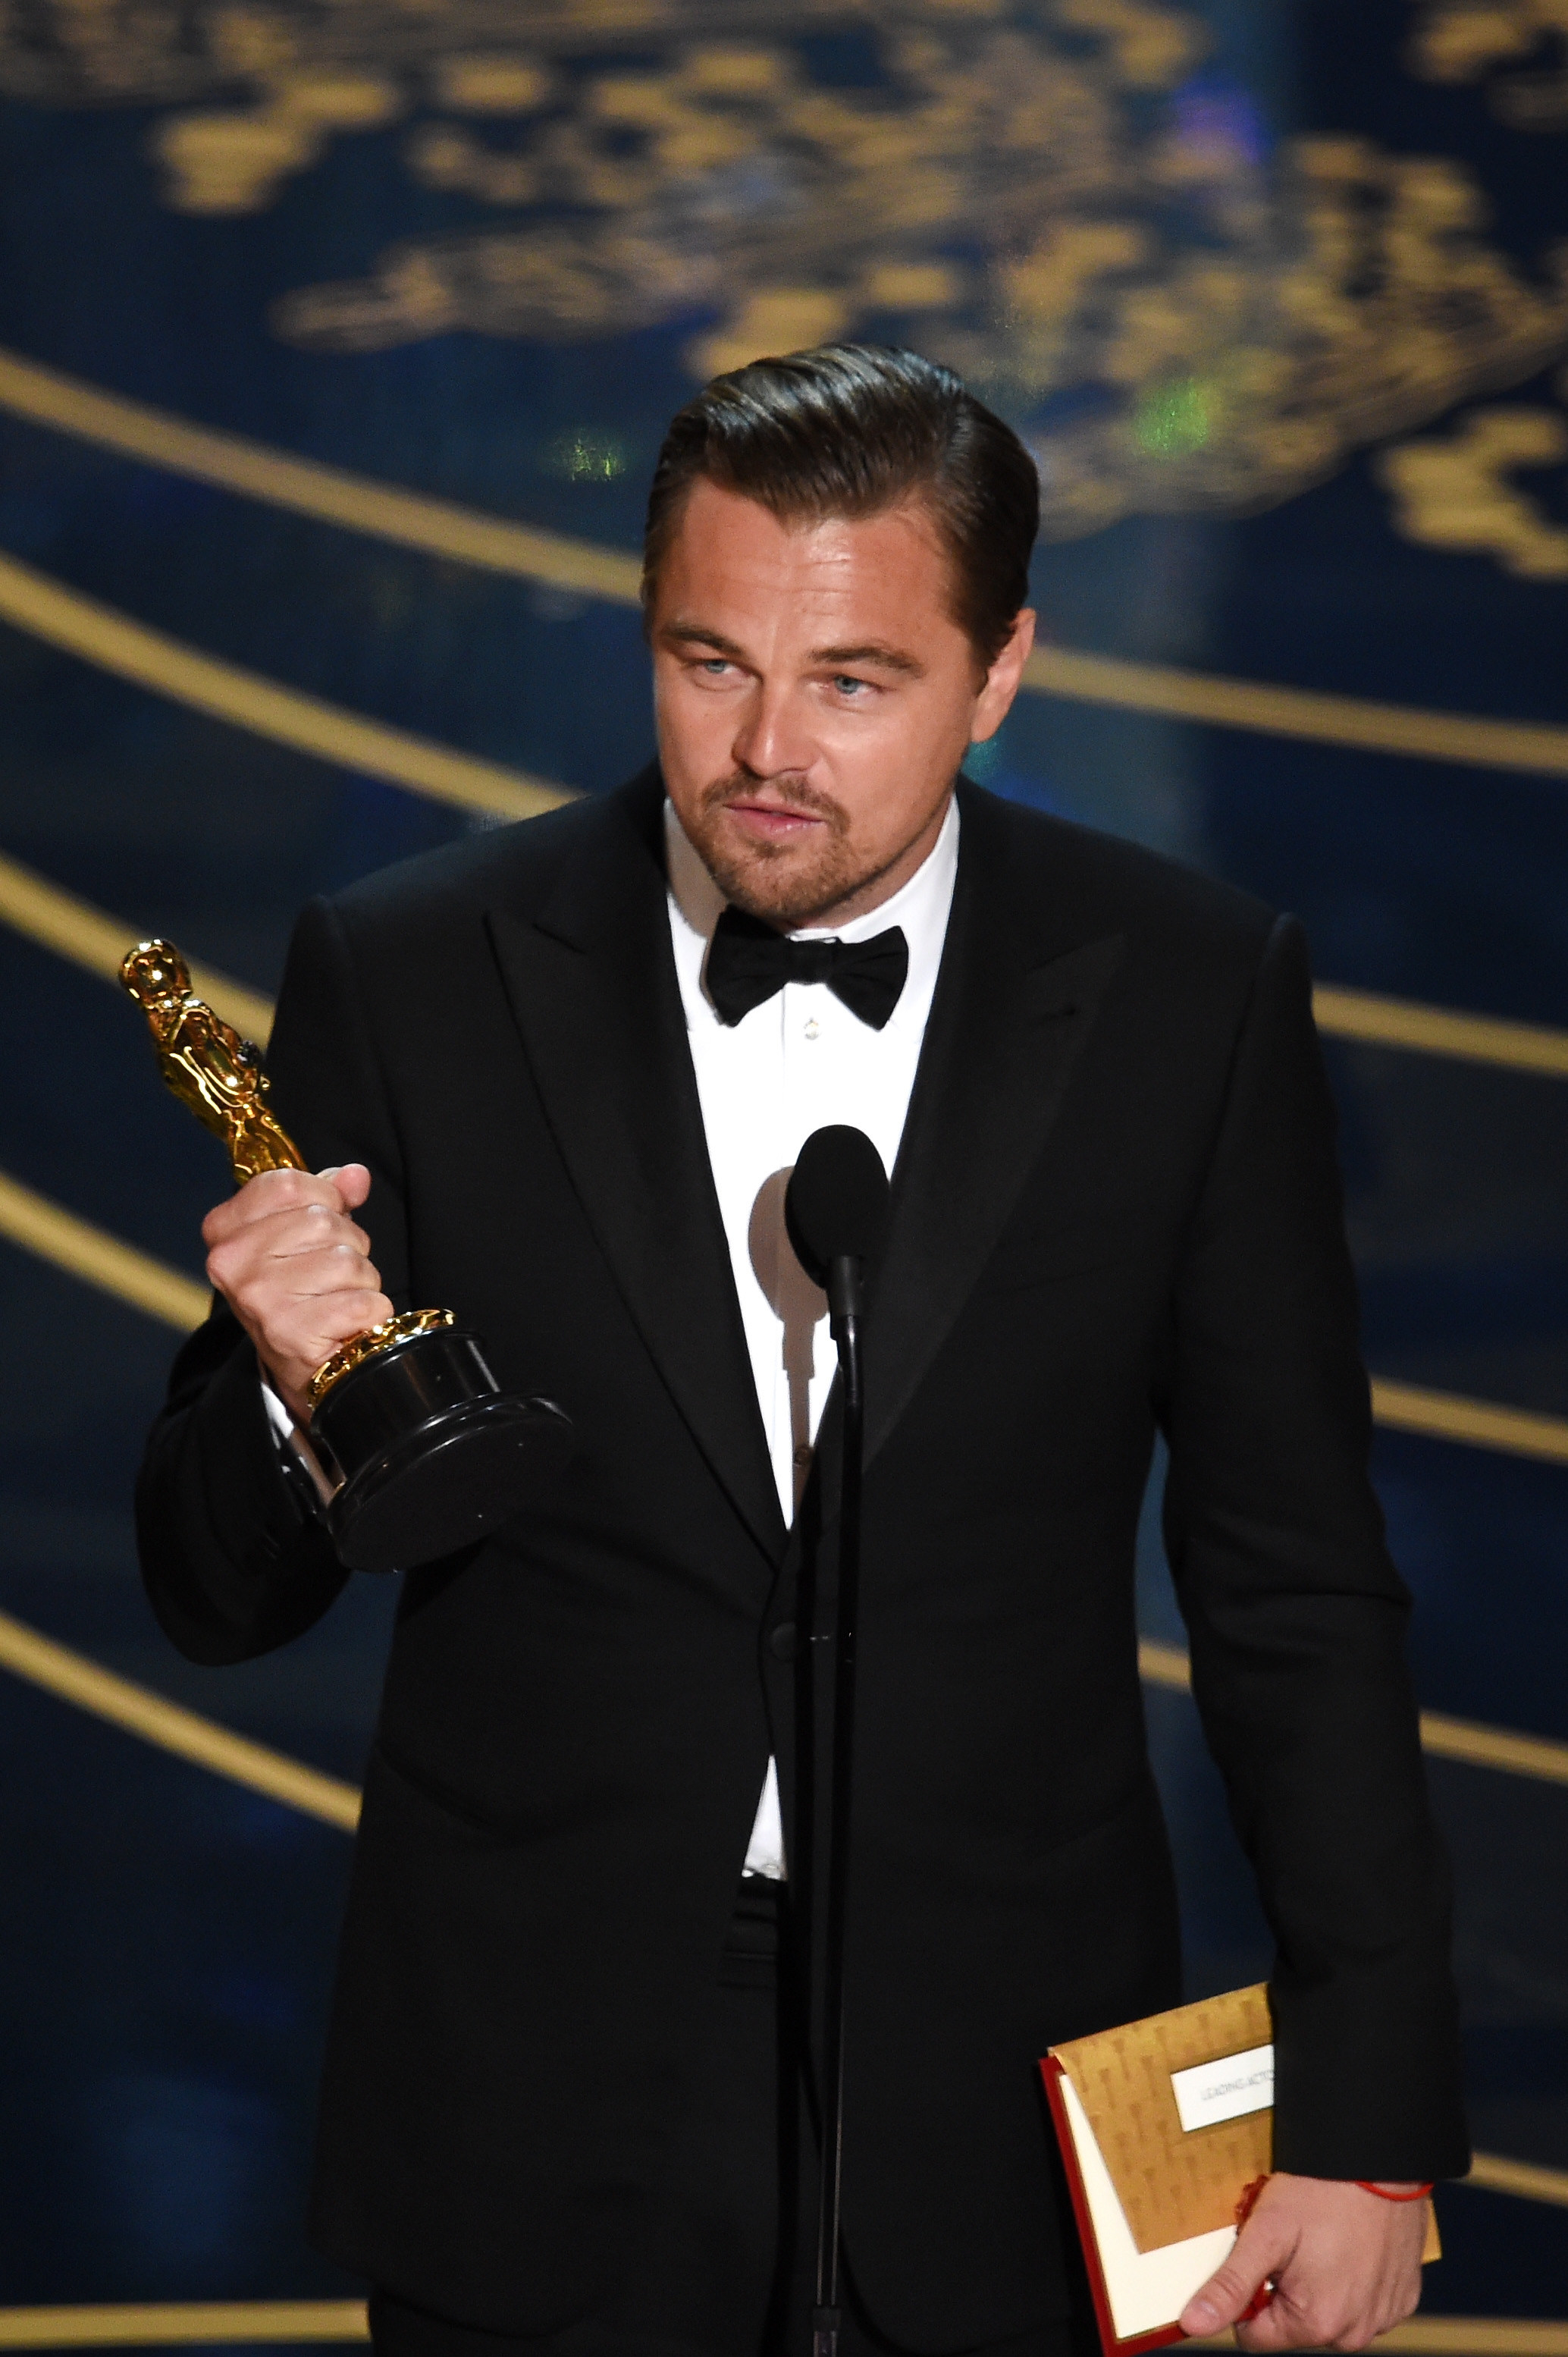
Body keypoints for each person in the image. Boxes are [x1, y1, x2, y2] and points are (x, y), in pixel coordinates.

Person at [136, 344, 1468, 2357]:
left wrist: (1364, 2124)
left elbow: (1291, 1579)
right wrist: (287, 1384)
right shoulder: (413, 970)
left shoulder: (1186, 994)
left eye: (851, 680)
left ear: (996, 673)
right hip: (532, 2112)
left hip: (1005, 2105)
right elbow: (212, 1591)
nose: (764, 747)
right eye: (706, 661)